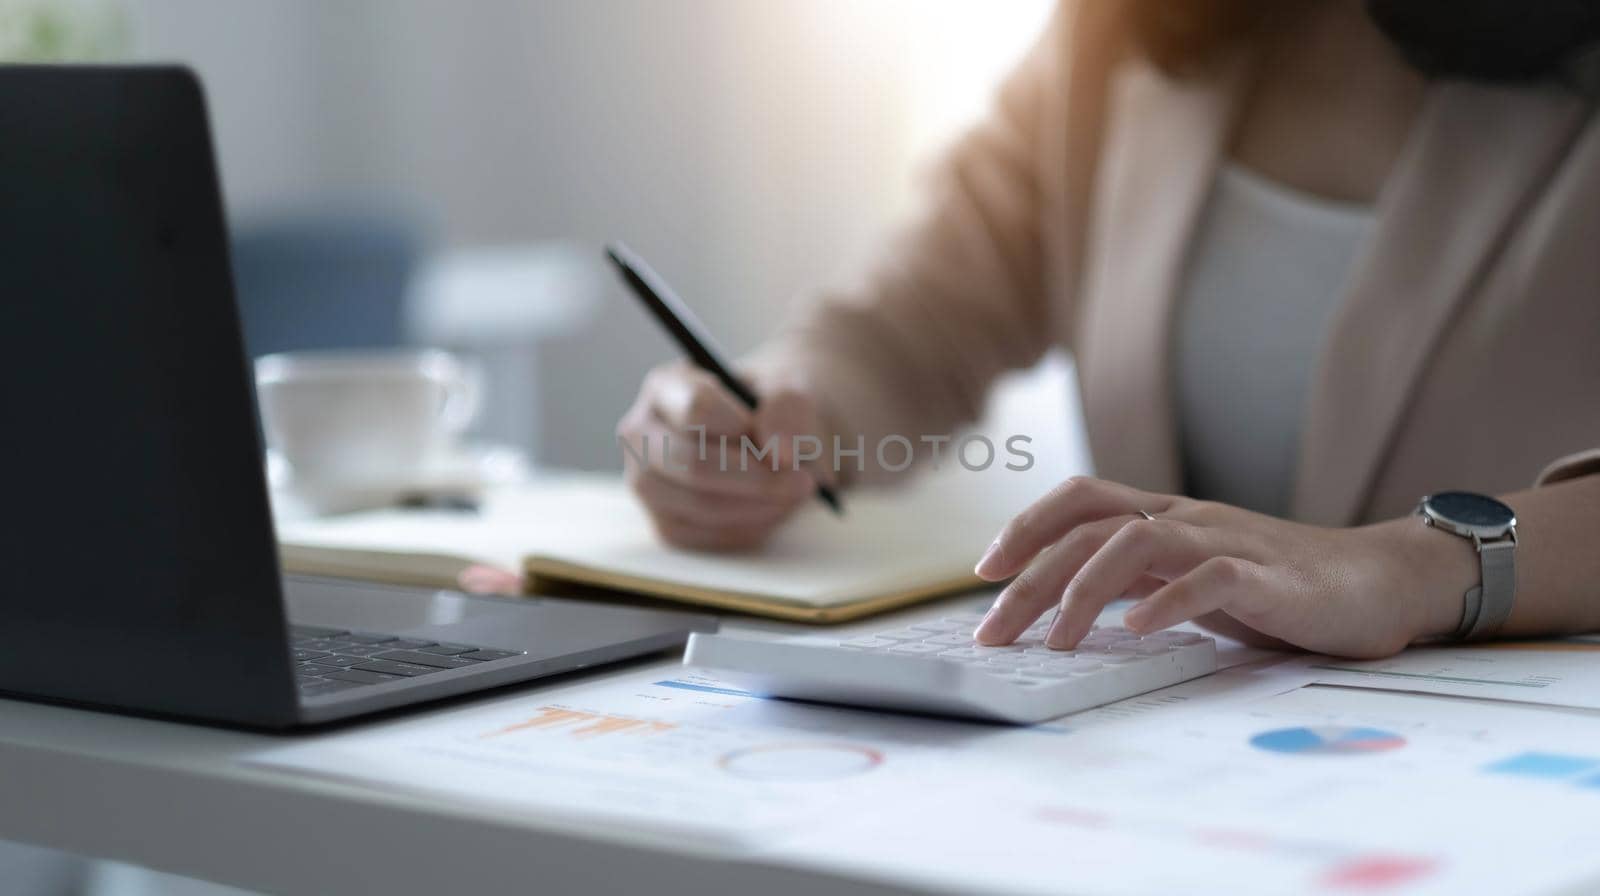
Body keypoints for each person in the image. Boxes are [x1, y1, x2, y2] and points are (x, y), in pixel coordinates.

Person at [475, 0, 1600, 658]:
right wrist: (766, 411)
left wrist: (1402, 567)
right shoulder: (1116, 44)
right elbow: (907, 324)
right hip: (1187, 777)